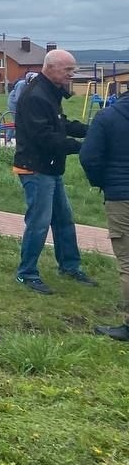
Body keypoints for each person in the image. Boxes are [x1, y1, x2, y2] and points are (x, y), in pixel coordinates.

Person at [13, 49, 95, 294]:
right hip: (35, 169)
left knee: (63, 220)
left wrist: (94, 130)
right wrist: (82, 147)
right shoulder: (36, 96)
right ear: (49, 68)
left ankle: (69, 266)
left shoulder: (50, 93)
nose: (72, 75)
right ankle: (26, 273)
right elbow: (45, 137)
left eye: (73, 69)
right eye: (67, 70)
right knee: (39, 223)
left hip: (50, 167)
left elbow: (60, 124)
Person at [80, 92, 129, 340]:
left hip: (121, 195)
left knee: (128, 261)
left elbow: (89, 156)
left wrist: (103, 182)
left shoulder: (107, 116)